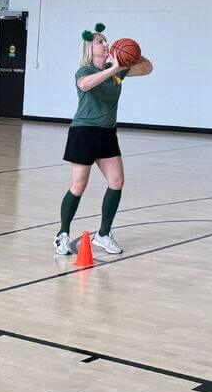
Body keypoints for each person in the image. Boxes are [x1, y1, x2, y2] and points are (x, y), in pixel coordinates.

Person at [54, 25, 153, 256]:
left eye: (107, 41)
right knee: (79, 186)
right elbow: (85, 85)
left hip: (107, 132)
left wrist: (131, 55)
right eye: (100, 42)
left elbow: (148, 68)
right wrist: (115, 68)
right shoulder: (84, 71)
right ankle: (62, 233)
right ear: (90, 48)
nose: (106, 44)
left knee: (116, 181)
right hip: (83, 132)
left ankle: (103, 234)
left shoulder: (116, 70)